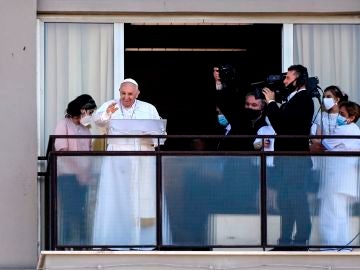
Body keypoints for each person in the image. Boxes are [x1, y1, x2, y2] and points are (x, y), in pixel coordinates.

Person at [92, 78, 164, 247]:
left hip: (143, 158)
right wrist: (108, 113)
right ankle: (116, 240)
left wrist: (149, 135)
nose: (126, 97)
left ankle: (142, 242)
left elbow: (161, 134)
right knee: (117, 198)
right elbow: (97, 121)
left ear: (137, 94)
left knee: (141, 200)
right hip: (117, 160)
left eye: (130, 94)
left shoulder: (148, 108)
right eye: (123, 93)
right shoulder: (111, 105)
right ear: (119, 92)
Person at [263, 64, 314, 250]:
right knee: (285, 200)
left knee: (297, 199)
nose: (284, 81)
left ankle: (300, 240)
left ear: (298, 80)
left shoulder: (304, 98)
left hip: (295, 159)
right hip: (285, 159)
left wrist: (271, 103)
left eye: (288, 78)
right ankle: (285, 240)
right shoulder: (292, 99)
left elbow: (283, 126)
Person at [54, 94, 97, 245]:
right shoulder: (63, 124)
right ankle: (65, 246)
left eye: (91, 113)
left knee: (82, 214)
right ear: (81, 109)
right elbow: (62, 150)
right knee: (68, 212)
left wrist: (88, 173)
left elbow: (91, 153)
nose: (89, 115)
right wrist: (80, 171)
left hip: (83, 178)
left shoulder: (86, 130)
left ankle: (82, 246)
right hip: (68, 177)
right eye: (88, 112)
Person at [318, 101, 360, 249]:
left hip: (337, 179)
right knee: (341, 216)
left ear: (352, 117)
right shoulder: (355, 130)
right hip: (345, 180)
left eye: (342, 115)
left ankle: (330, 247)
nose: (339, 118)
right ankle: (343, 246)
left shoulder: (345, 130)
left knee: (330, 214)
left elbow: (324, 143)